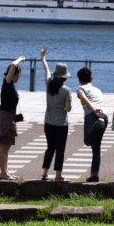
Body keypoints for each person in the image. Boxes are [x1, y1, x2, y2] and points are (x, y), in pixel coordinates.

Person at [40, 47, 72, 182]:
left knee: (50, 148)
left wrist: (43, 57)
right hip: (61, 124)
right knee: (60, 150)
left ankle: (44, 173)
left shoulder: (49, 84)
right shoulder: (67, 90)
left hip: (48, 122)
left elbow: (46, 70)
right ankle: (58, 175)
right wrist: (67, 103)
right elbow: (68, 109)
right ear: (64, 77)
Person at [0, 54, 25, 181]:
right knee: (2, 147)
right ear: (14, 74)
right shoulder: (7, 82)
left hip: (9, 118)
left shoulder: (10, 85)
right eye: (18, 75)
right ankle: (3, 173)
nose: (19, 77)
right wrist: (19, 60)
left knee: (6, 148)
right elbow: (12, 66)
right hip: (4, 118)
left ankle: (6, 172)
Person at [76, 67, 106, 183]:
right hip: (104, 117)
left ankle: (94, 174)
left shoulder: (80, 88)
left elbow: (83, 97)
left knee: (88, 141)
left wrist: (93, 109)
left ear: (79, 79)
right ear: (91, 78)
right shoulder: (97, 90)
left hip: (92, 116)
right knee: (96, 147)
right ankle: (94, 174)